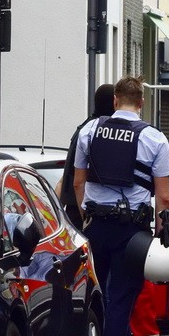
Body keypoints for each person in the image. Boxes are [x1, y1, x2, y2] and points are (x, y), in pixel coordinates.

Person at [72, 76, 169, 336]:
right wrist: (159, 230)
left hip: (96, 226)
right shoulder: (154, 138)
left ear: (115, 100)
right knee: (120, 301)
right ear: (141, 102)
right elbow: (164, 196)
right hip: (132, 231)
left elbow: (78, 182)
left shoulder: (90, 131)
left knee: (94, 299)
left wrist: (85, 215)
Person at [60, 84, 116, 228]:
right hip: (81, 210)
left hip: (71, 210)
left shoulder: (85, 128)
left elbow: (63, 179)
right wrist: (85, 216)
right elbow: (79, 182)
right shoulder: (95, 132)